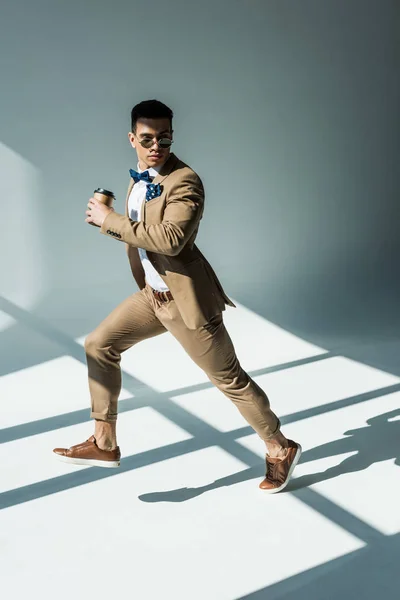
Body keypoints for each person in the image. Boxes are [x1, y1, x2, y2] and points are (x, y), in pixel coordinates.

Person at [53, 99, 301, 493]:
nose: (156, 146)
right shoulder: (140, 178)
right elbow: (141, 231)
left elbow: (170, 240)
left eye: (164, 138)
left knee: (229, 379)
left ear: (172, 137)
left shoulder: (185, 181)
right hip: (154, 297)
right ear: (132, 138)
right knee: (99, 344)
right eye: (148, 138)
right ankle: (104, 441)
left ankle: (279, 447)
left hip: (187, 304)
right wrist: (115, 219)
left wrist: (108, 221)